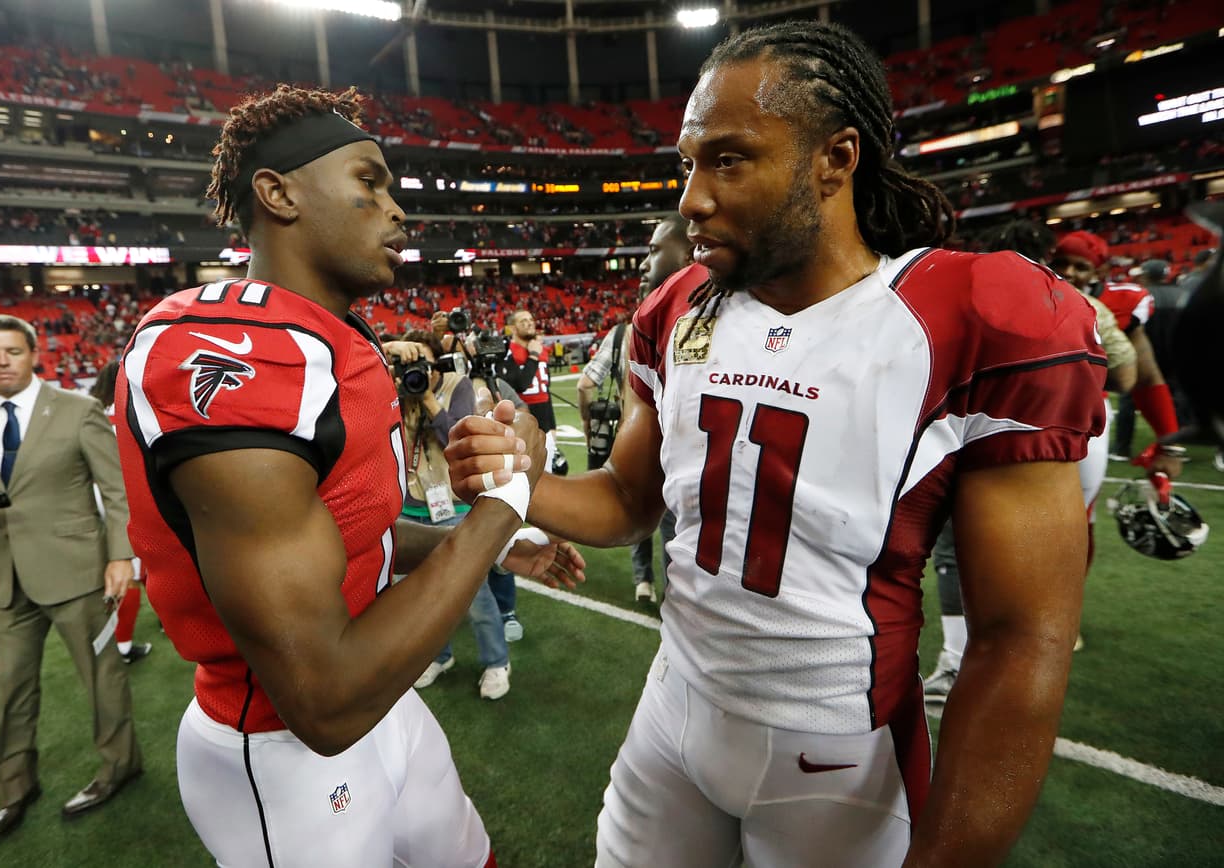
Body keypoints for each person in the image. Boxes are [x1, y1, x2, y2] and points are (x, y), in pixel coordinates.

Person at [451, 22, 1106, 866]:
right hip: (672, 711)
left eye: (728, 159)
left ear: (836, 157)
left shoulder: (963, 316)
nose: (691, 196)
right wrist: (527, 482)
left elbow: (1020, 640)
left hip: (836, 759)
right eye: (688, 162)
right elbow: (624, 502)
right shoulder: (685, 304)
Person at [114, 85, 583, 867]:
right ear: (279, 193)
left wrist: (491, 545)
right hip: (281, 753)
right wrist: (506, 503)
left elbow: (348, 531)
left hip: (384, 704)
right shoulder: (228, 349)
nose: (396, 207)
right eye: (368, 181)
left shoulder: (331, 339)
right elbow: (322, 701)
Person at [0, 314, 142, 845]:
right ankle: (13, 789)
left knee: (102, 680)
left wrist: (120, 556)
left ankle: (120, 766)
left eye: (12, 350)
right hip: (8, 581)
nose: (2, 361)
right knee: (11, 689)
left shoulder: (77, 411)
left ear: (34, 354)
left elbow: (118, 490)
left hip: (80, 574)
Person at [923, 219, 1135, 696]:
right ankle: (1042, 648)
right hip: (1081, 432)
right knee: (1059, 542)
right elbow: (1129, 373)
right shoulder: (1088, 304)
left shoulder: (968, 283)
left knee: (959, 547)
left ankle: (961, 661)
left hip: (994, 428)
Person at [389, 329, 512, 701]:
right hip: (412, 503)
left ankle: (496, 662)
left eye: (423, 364)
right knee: (422, 596)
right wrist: (388, 350)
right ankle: (439, 656)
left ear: (436, 362)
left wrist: (427, 398)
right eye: (410, 364)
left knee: (473, 592)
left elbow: (456, 442)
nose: (417, 371)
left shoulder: (458, 385)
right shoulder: (393, 388)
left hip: (452, 504)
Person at [578, 214, 691, 603]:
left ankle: (656, 587)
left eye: (655, 250)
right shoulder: (638, 330)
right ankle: (658, 587)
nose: (644, 263)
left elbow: (586, 385)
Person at [1052, 230, 1183, 479]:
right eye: (1060, 263)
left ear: (1099, 273)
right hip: (1022, 409)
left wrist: (1169, 447)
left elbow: (1146, 377)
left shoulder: (1119, 301)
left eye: (1080, 267)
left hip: (1083, 413)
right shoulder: (1030, 289)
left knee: (1080, 508)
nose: (1067, 272)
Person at [493, 308, 558, 638]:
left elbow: (543, 389)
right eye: (524, 322)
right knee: (527, 487)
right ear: (512, 328)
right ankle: (520, 540)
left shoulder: (540, 348)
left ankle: (548, 537)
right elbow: (514, 385)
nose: (530, 325)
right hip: (525, 428)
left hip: (547, 424)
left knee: (553, 485)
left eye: (533, 320)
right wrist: (531, 357)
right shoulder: (513, 351)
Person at [88, 360, 152, 664]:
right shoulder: (135, 411)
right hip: (132, 501)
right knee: (136, 571)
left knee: (123, 568)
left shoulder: (89, 413)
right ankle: (122, 647)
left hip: (94, 502)